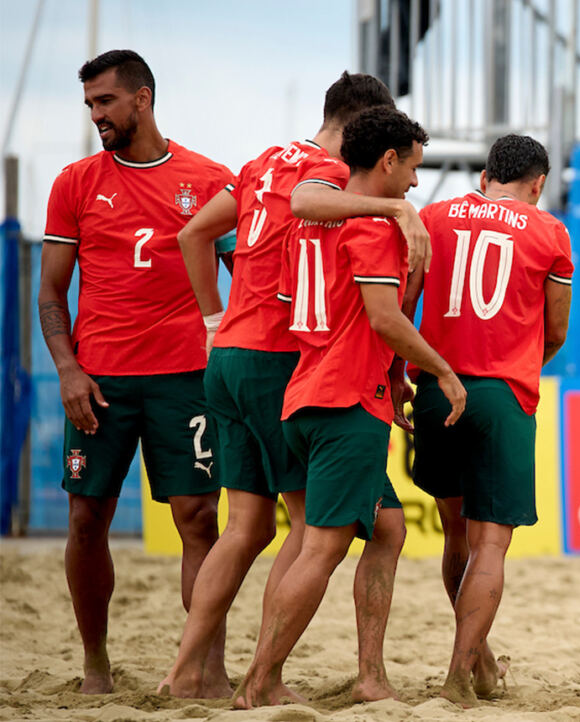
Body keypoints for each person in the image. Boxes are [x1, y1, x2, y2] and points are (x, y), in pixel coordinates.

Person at [158, 73, 425, 701]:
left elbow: (192, 232)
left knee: (246, 526)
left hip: (227, 356)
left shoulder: (262, 161)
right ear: (366, 124)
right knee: (311, 531)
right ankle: (265, 677)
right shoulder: (326, 175)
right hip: (285, 361)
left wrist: (211, 319)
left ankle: (185, 672)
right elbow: (308, 206)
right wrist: (395, 207)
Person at [232, 105, 466, 709]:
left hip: (306, 394)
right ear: (388, 160)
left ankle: (370, 676)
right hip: (346, 404)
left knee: (387, 529)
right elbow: (385, 319)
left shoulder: (311, 224)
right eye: (413, 168)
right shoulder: (374, 227)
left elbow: (309, 309)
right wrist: (440, 368)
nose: (415, 182)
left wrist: (386, 369)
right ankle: (260, 681)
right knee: (322, 547)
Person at [37, 49, 232, 695]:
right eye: (90, 103)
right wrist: (67, 371)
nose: (95, 114)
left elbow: (250, 277)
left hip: (188, 380)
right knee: (86, 519)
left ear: (141, 100)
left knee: (198, 520)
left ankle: (206, 669)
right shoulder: (74, 181)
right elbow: (50, 294)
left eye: (105, 102)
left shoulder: (208, 180)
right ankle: (96, 665)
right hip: (101, 382)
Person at [401, 134, 573, 706]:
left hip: (433, 386)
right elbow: (555, 333)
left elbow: (405, 306)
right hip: (500, 395)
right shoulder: (549, 232)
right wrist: (518, 365)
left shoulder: (433, 216)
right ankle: (457, 675)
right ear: (539, 184)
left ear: (484, 177)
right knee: (491, 547)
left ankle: (479, 663)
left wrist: (405, 369)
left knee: (456, 535)